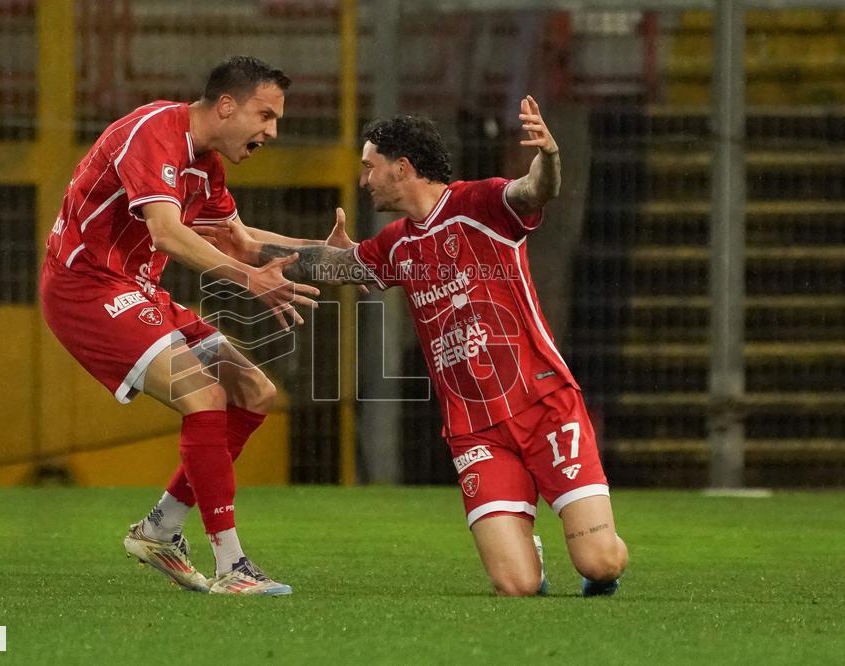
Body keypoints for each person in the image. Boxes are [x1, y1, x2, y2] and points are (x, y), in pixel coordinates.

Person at [210, 96, 628, 596]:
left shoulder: (481, 205)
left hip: (544, 405)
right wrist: (243, 243)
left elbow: (536, 190)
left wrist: (551, 159)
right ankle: (526, 549)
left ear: (401, 167)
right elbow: (327, 264)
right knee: (517, 585)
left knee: (600, 562)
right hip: (475, 430)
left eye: (369, 168)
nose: (363, 180)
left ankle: (597, 560)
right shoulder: (395, 243)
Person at [40, 56, 325, 596]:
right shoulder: (154, 131)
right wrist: (249, 280)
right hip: (87, 289)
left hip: (138, 290)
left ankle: (160, 529)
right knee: (204, 396)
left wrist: (328, 253)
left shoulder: (205, 163)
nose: (272, 131)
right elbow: (168, 234)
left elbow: (240, 239)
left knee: (254, 393)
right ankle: (231, 568)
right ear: (225, 105)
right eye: (265, 115)